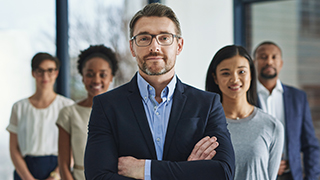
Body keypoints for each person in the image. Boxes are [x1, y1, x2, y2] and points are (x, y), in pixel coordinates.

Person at [84, 3, 235, 180]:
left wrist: (145, 169)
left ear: (179, 45)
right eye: (144, 38)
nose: (154, 47)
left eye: (164, 38)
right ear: (132, 47)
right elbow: (98, 177)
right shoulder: (107, 106)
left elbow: (223, 173)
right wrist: (187, 171)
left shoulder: (207, 104)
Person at [205, 45, 284, 180]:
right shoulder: (204, 125)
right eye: (225, 73)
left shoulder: (272, 126)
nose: (235, 79)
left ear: (251, 74)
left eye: (241, 72)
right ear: (215, 78)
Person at [253, 41, 320, 180]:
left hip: (291, 176)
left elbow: (310, 145)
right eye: (263, 57)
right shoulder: (246, 96)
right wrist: (268, 165)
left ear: (281, 63)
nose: (269, 61)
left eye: (274, 57)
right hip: (257, 175)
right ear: (254, 62)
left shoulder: (297, 97)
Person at [7, 52, 74, 180]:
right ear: (33, 73)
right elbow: (14, 148)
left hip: (58, 170)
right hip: (25, 171)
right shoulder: (19, 107)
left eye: (50, 71)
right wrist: (27, 178)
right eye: (40, 71)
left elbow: (72, 147)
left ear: (56, 73)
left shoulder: (67, 106)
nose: (45, 76)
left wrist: (56, 175)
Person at [56, 45, 118, 180]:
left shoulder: (122, 112)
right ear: (82, 77)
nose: (96, 80)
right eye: (90, 74)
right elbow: (64, 165)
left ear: (111, 77)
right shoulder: (69, 113)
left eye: (103, 75)